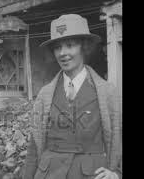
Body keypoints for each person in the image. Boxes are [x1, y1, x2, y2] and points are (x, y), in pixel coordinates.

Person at [23, 14, 122, 179]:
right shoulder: (45, 94)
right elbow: (34, 144)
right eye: (57, 47)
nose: (63, 53)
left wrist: (117, 172)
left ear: (84, 47)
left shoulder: (108, 93)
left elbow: (119, 135)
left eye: (70, 45)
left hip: (91, 174)